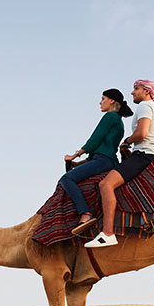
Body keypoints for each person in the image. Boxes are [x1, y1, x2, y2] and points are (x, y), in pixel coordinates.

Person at [85, 79, 154, 248]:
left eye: (136, 89)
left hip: (144, 155)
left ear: (146, 92)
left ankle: (107, 233)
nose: (132, 93)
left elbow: (142, 133)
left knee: (106, 184)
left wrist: (127, 141)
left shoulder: (145, 106)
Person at [60, 89, 135, 235]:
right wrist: (77, 165)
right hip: (104, 160)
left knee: (66, 179)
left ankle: (85, 213)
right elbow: (99, 150)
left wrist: (74, 155)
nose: (100, 102)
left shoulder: (111, 116)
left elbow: (94, 140)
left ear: (112, 101)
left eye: (103, 98)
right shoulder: (117, 120)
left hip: (103, 161)